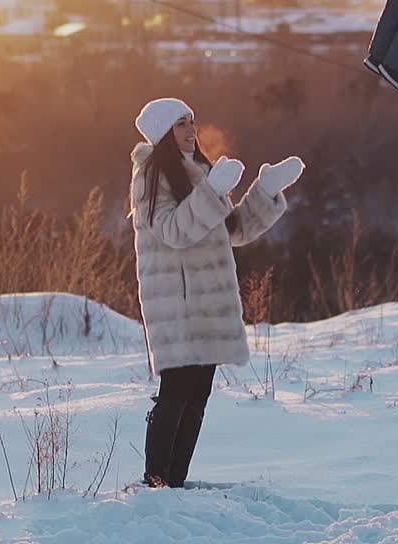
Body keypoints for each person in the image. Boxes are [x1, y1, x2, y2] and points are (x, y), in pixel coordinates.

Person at [129, 97, 304, 488]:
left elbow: (233, 230)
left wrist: (265, 191)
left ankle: (174, 483)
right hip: (178, 302)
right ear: (163, 133)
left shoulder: (200, 171)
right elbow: (173, 231)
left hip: (210, 302)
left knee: (198, 393)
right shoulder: (150, 176)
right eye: (180, 124)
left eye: (192, 121)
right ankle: (156, 483)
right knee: (176, 390)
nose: (191, 130)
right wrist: (211, 190)